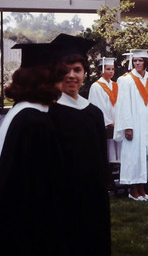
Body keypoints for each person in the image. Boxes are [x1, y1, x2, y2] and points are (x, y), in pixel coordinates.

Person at [0, 43, 69, 255]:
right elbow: (41, 184)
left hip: (13, 220)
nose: (63, 83)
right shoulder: (35, 122)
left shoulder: (22, 112)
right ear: (44, 81)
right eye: (58, 78)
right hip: (28, 227)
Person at [48, 34, 111, 255]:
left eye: (77, 70)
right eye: (65, 70)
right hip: (61, 198)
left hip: (93, 197)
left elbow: (102, 157)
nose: (71, 76)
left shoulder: (93, 112)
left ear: (85, 73)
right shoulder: (48, 112)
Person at [114, 49, 148, 200]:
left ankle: (143, 189)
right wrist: (127, 127)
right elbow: (123, 105)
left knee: (146, 156)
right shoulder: (126, 80)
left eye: (140, 61)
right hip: (134, 125)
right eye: (135, 61)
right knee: (133, 156)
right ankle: (133, 190)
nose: (137, 63)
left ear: (146, 62)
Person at [88, 57, 121, 164]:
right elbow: (99, 106)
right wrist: (109, 122)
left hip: (117, 124)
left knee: (119, 149)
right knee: (109, 150)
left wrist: (118, 121)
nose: (111, 71)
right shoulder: (96, 86)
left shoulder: (115, 85)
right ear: (101, 71)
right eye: (108, 69)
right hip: (106, 124)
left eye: (112, 69)